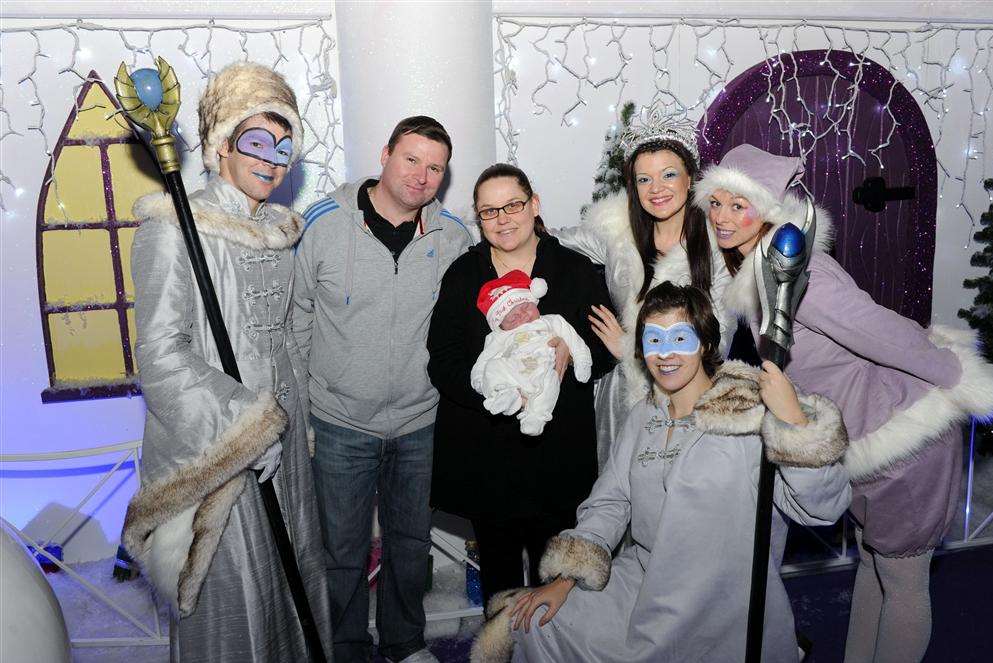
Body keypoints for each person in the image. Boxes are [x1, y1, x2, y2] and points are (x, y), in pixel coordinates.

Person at [696, 142, 993, 663]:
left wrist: (959, 375)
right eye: (715, 203)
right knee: (875, 567)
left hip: (903, 447)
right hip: (856, 438)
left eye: (737, 205)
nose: (722, 217)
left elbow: (877, 329)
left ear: (766, 209)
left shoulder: (800, 275)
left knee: (902, 579)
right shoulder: (759, 269)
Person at [470, 282, 851, 663]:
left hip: (722, 602)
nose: (665, 354)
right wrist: (567, 576)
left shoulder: (749, 414)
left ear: (704, 343)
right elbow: (611, 501)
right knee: (534, 622)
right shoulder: (642, 417)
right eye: (654, 340)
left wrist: (793, 423)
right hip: (644, 582)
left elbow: (822, 508)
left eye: (680, 337)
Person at [122, 62, 331, 661]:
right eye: (257, 143)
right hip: (219, 447)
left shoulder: (278, 229)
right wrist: (242, 424)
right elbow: (161, 354)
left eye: (284, 147)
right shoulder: (174, 229)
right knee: (237, 592)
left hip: (284, 444)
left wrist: (298, 426)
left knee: (293, 584)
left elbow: (286, 337)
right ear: (220, 148)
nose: (272, 160)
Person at [293, 116, 471, 663]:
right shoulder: (321, 225)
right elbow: (296, 318)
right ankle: (346, 647)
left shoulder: (454, 236)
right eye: (411, 159)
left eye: (435, 167)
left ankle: (404, 641)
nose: (421, 175)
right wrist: (304, 409)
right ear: (385, 153)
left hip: (420, 421)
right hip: (340, 421)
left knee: (410, 547)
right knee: (341, 550)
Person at [428, 163, 615, 607]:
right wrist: (495, 389)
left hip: (559, 455)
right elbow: (443, 360)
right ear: (479, 218)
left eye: (512, 205)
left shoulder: (576, 270)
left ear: (534, 205)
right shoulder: (463, 275)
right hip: (488, 454)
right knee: (502, 584)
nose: (503, 218)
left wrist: (573, 354)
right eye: (489, 211)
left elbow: (608, 346)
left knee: (558, 580)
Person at [553, 109, 734, 468]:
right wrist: (508, 223)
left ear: (690, 179)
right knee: (622, 496)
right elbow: (557, 243)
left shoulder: (716, 247)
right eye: (644, 179)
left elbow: (719, 339)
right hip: (622, 399)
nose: (657, 189)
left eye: (669, 175)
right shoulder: (617, 232)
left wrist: (630, 346)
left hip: (690, 401)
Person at [471, 270, 593, 436]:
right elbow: (483, 363)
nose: (522, 315)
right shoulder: (498, 337)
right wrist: (481, 382)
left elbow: (574, 340)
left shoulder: (551, 321)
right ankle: (507, 396)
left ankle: (536, 417)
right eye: (512, 318)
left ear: (534, 302)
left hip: (541, 370)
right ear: (501, 326)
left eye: (525, 307)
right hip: (513, 375)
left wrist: (582, 361)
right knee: (494, 367)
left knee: (551, 382)